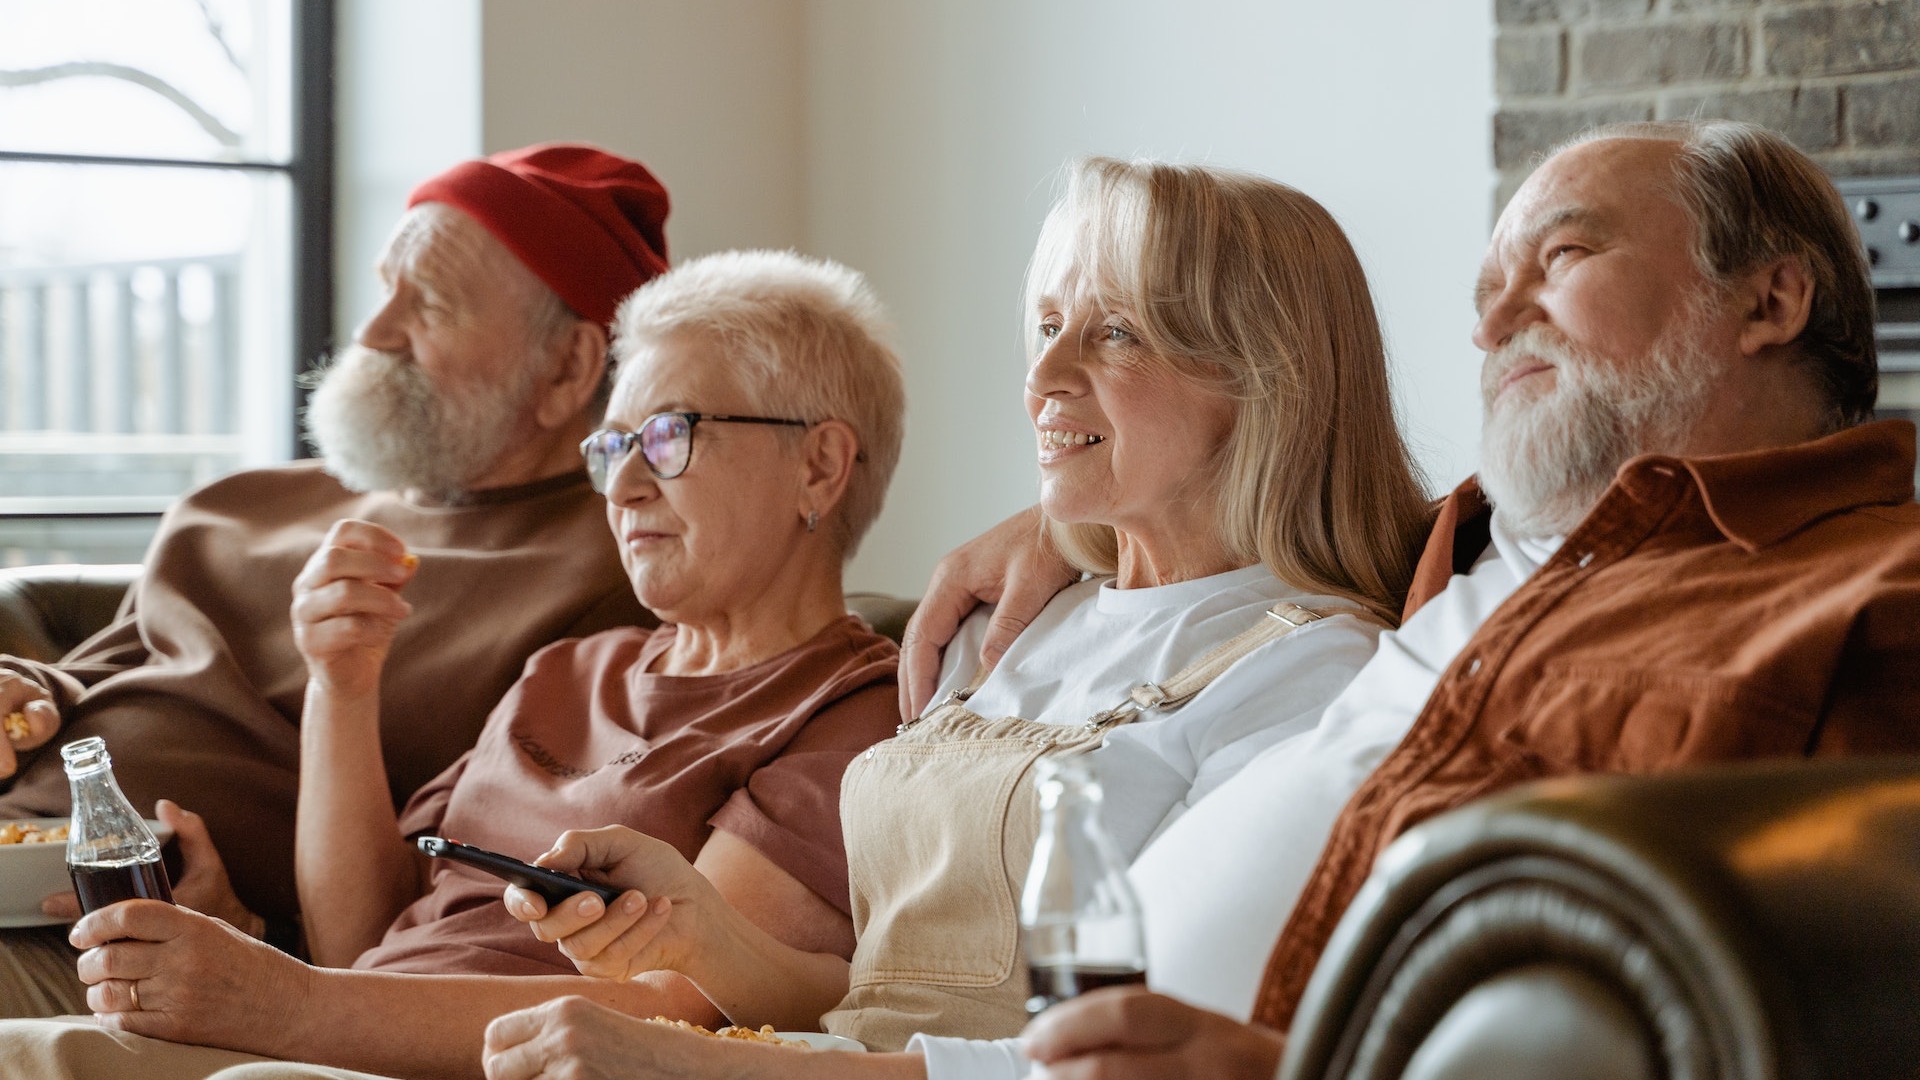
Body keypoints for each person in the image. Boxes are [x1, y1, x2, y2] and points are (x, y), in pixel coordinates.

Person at [868, 118, 1920, 1080]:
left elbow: (1833, 1012)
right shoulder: (1465, 542)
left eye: (1561, 259)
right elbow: (1256, 482)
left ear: (1769, 301)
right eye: (1485, 293)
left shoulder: (1871, 595)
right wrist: (1065, 523)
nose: (1494, 324)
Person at [476, 156, 1437, 1080]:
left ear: (1264, 378)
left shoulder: (1317, 680)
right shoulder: (1009, 618)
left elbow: (1138, 1062)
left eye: (1114, 334)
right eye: (1050, 324)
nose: (1043, 375)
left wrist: (709, 1069)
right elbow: (882, 1006)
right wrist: (704, 934)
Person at [0, 248, 910, 1078]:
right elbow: (359, 935)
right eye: (614, 446)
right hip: (333, 1039)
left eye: (670, 436)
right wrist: (342, 685)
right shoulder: (564, 669)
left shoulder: (850, 712)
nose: (627, 485)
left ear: (820, 467)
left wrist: (283, 1005)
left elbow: (683, 1012)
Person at [0, 144, 670, 953]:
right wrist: (30, 697)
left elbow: (480, 911)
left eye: (427, 304)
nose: (374, 331)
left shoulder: (619, 577)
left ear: (568, 367)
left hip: (144, 946)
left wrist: (257, 935)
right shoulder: (232, 506)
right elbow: (99, 683)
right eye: (386, 287)